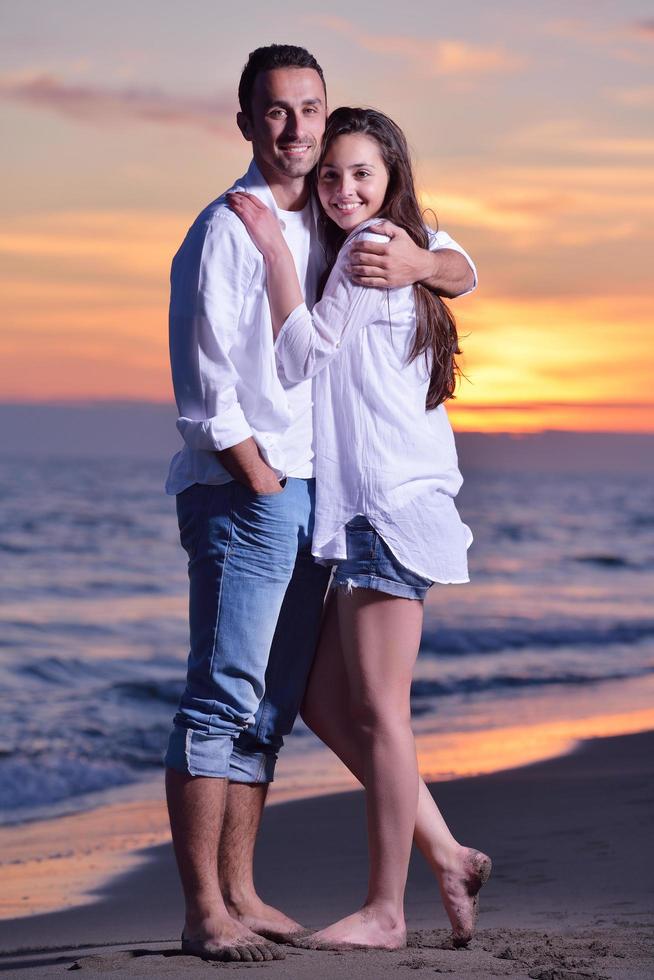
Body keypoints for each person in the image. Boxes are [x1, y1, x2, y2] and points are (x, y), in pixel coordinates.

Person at [165, 44, 477, 963]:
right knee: (237, 697)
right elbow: (207, 382)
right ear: (248, 122)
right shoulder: (235, 227)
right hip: (261, 491)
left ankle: (257, 893)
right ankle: (209, 910)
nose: (299, 133)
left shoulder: (360, 235)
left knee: (283, 703)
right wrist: (256, 474)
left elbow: (462, 266)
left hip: (339, 502)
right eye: (277, 112)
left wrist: (423, 258)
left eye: (312, 112)